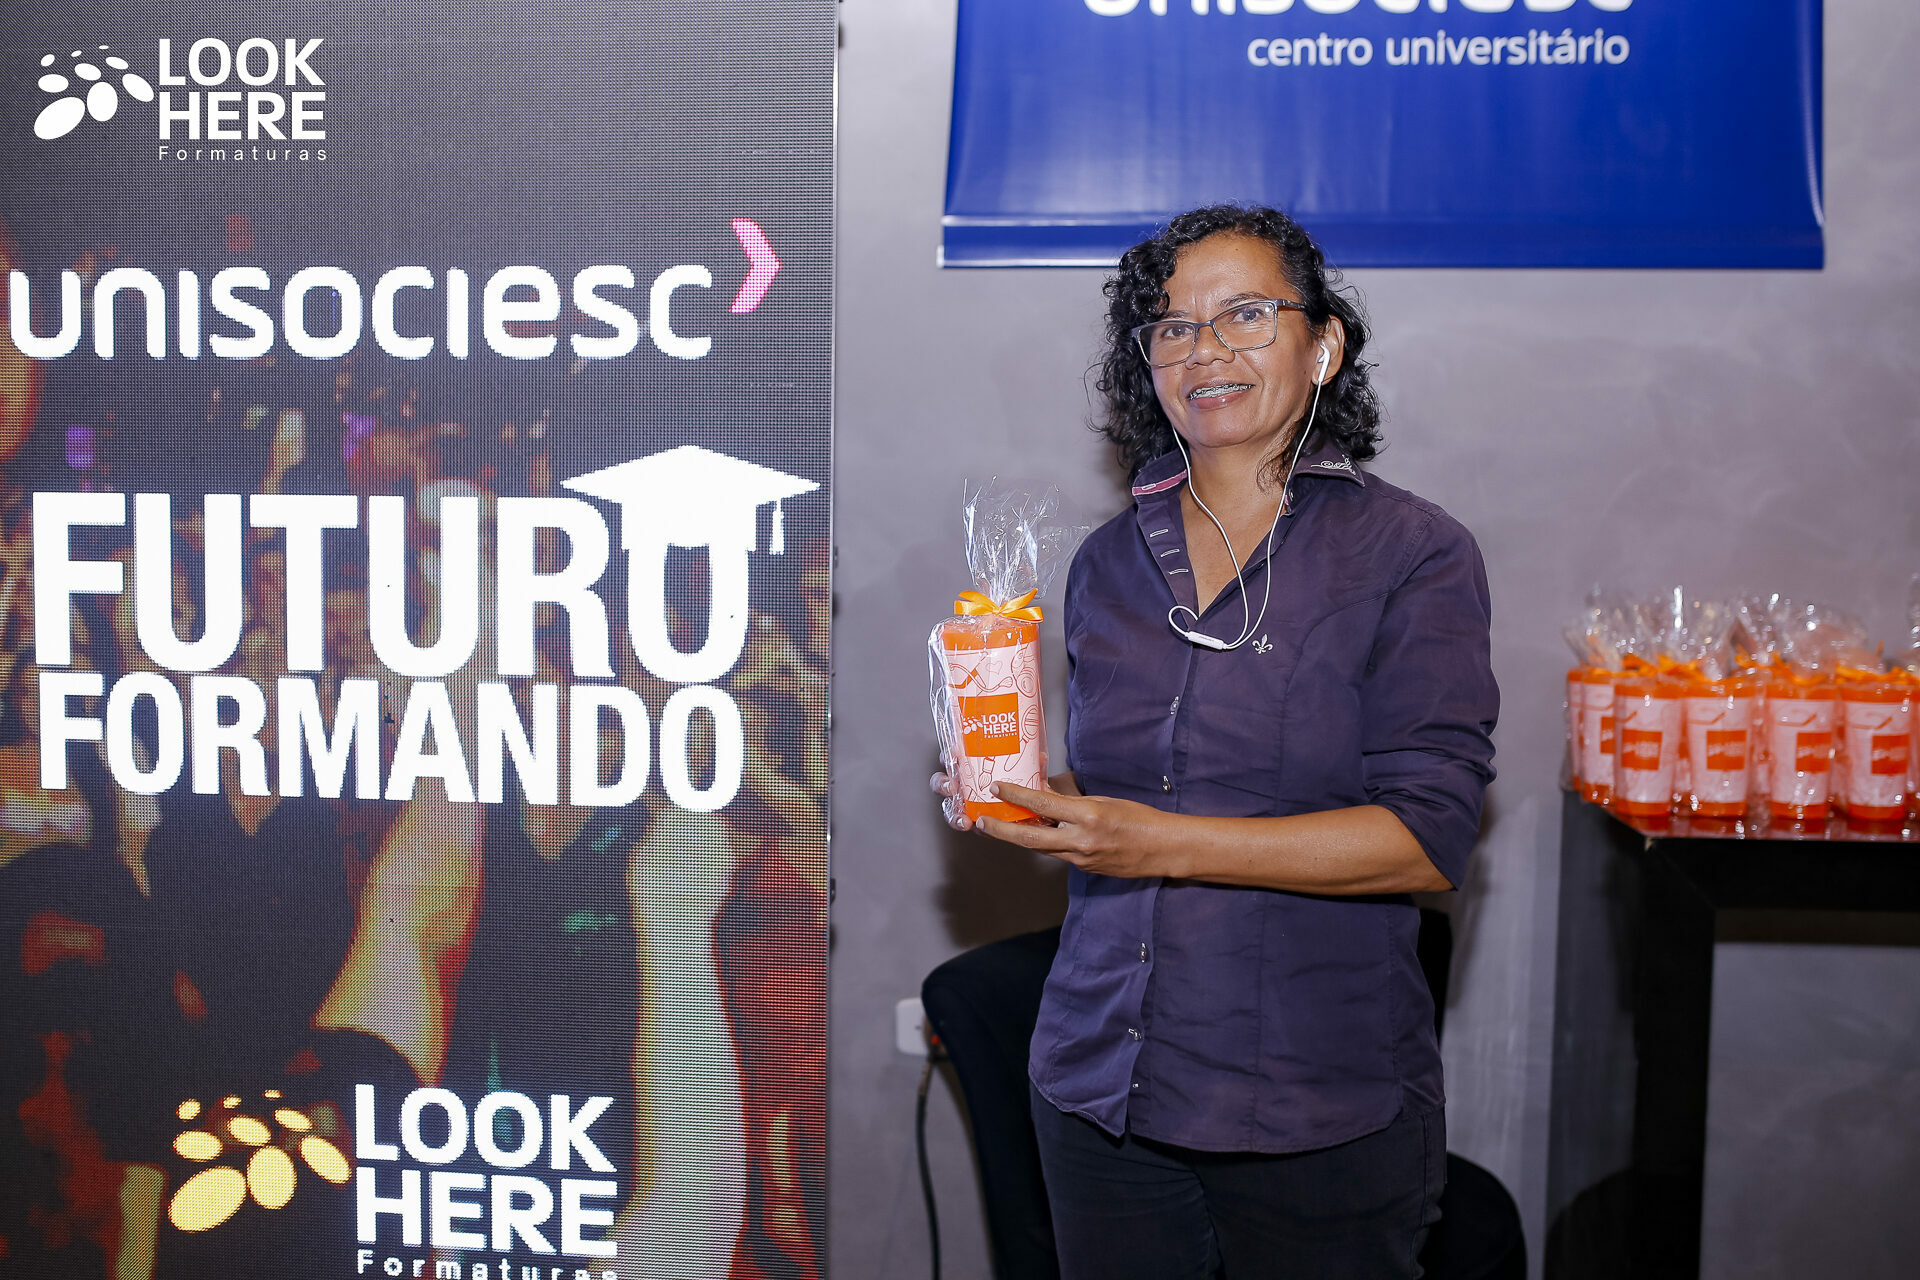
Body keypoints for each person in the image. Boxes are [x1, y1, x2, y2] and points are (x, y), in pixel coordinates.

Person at [933, 204, 1498, 1279]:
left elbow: (1426, 840)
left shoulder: (1411, 552)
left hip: (1312, 1102)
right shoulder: (1106, 562)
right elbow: (1136, 786)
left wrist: (1157, 842)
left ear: (1323, 345)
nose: (1205, 350)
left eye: (1245, 315)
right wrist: (1029, 795)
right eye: (1173, 327)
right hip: (1101, 1090)